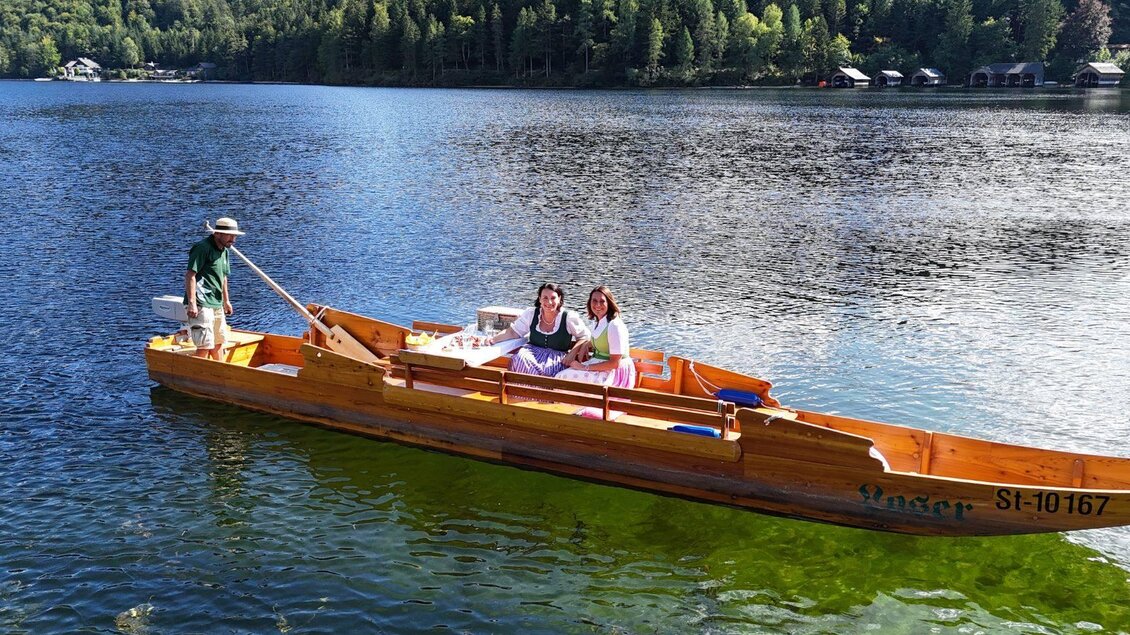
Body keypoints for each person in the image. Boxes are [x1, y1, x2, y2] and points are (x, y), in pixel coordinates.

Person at [487, 283, 590, 377]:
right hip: (531, 353)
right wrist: (492, 340)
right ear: (539, 299)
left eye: (553, 298)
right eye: (545, 298)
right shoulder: (532, 314)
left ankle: (538, 396)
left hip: (556, 357)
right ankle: (520, 394)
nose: (549, 302)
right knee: (519, 359)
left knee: (551, 370)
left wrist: (572, 353)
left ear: (559, 299)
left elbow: (585, 336)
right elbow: (513, 332)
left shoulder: (568, 317)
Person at [184, 217, 245, 360]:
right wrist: (192, 303)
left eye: (235, 236)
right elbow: (190, 275)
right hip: (201, 302)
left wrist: (226, 301)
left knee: (219, 341)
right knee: (205, 345)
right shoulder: (202, 248)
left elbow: (223, 277)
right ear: (217, 234)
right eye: (230, 235)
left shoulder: (225, 251)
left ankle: (221, 374)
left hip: (216, 302)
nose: (233, 239)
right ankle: (199, 376)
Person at [556, 286, 636, 388]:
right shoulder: (598, 322)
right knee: (561, 377)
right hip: (600, 364)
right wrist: (587, 344)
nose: (598, 305)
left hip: (615, 372)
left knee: (564, 377)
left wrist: (584, 367)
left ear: (609, 303)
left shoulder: (615, 325)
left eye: (602, 301)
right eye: (594, 301)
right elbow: (602, 339)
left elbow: (615, 363)